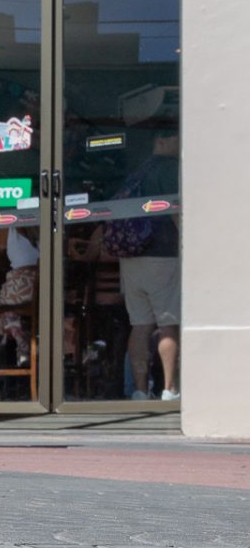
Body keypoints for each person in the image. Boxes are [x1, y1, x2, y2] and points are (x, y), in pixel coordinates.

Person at [111, 130, 181, 402]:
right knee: (168, 324)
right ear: (161, 140)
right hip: (162, 255)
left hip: (131, 258)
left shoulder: (136, 171)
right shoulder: (169, 168)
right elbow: (175, 211)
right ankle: (170, 389)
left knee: (140, 325)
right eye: (176, 138)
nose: (180, 143)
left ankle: (140, 391)